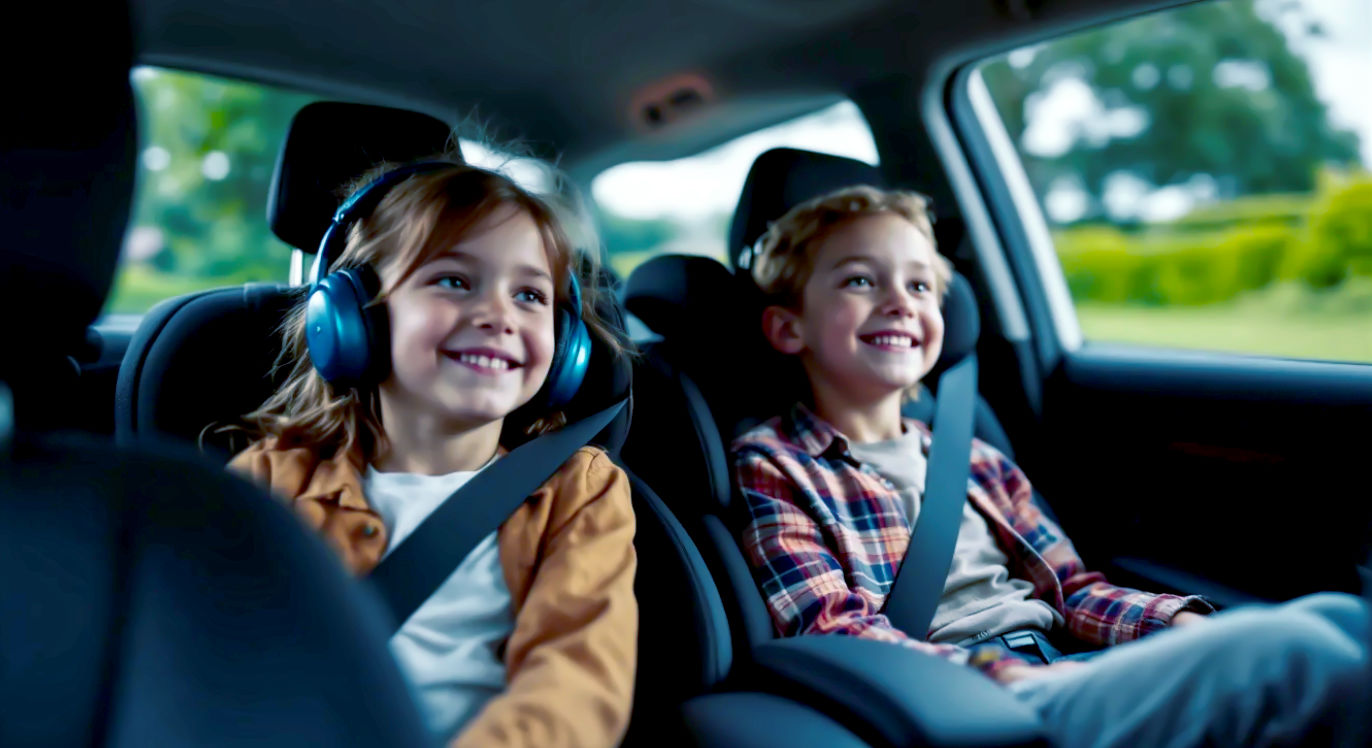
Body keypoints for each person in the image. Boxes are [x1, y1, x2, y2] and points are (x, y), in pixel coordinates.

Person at [732, 184, 1368, 746]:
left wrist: (1172, 620)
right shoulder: (776, 464)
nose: (899, 301)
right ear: (789, 328)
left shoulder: (977, 460)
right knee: (1302, 660)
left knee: (1336, 620)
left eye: (920, 284)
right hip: (961, 698)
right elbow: (832, 629)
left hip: (1059, 660)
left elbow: (1070, 590)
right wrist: (995, 674)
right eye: (860, 280)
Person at [229, 158, 637, 748]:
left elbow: (577, 687)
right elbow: (219, 664)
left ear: (566, 343)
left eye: (528, 294)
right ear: (351, 315)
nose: (498, 315)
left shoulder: (579, 491)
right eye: (453, 280)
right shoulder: (272, 483)